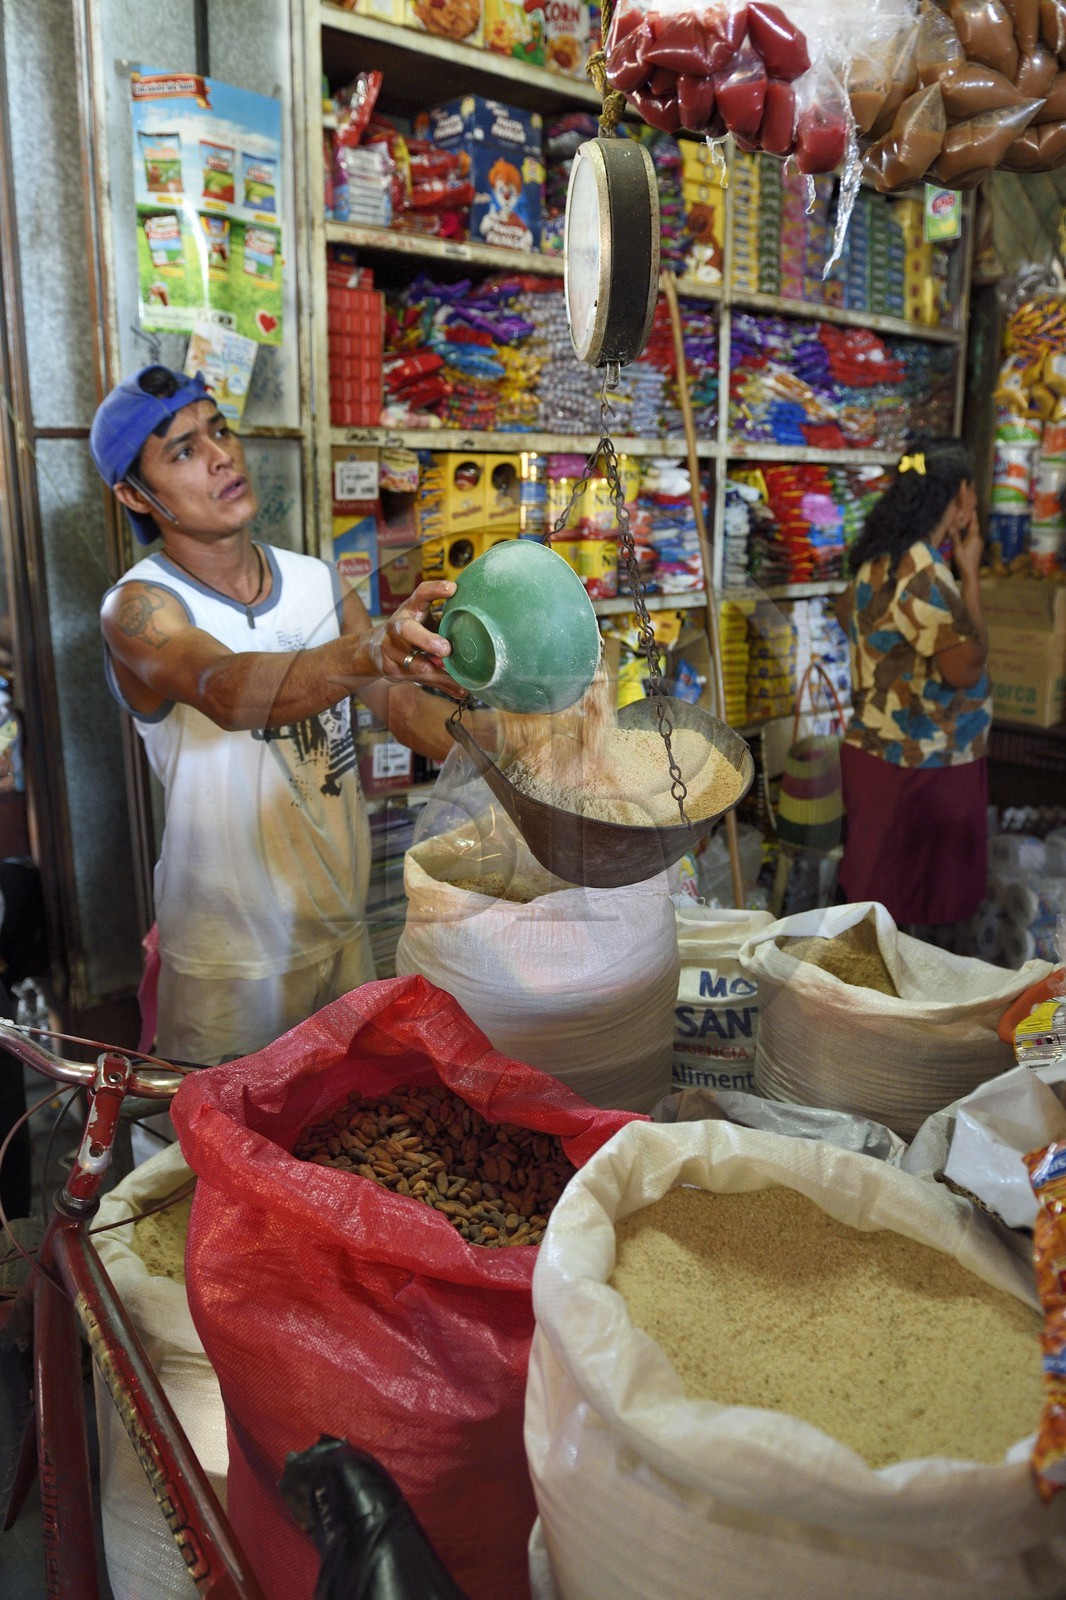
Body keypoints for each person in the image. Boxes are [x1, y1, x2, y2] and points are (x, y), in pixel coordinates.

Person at [90, 364, 464, 1065]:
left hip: (339, 933)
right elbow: (225, 687)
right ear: (131, 493)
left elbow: (403, 706)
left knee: (344, 1144)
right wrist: (366, 652)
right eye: (182, 451)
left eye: (219, 431)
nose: (221, 456)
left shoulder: (316, 582)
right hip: (227, 964)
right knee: (220, 1161)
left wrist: (521, 750)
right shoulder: (138, 609)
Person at [835, 437, 992, 928]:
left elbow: (846, 612)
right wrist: (970, 575)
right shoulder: (924, 572)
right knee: (917, 916)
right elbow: (967, 667)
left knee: (877, 907)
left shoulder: (878, 558)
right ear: (961, 495)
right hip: (923, 763)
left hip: (878, 751)